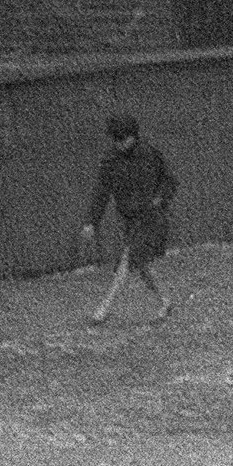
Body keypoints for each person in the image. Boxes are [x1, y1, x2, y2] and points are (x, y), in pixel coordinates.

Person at [80, 113, 177, 325]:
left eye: (123, 139)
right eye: (116, 139)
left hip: (152, 218)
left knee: (127, 260)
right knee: (141, 265)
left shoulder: (150, 154)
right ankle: (165, 300)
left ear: (133, 137)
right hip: (130, 220)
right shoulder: (110, 161)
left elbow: (170, 181)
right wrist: (91, 222)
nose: (119, 144)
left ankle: (104, 309)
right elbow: (101, 193)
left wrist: (160, 200)